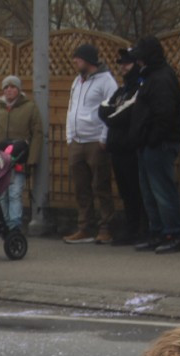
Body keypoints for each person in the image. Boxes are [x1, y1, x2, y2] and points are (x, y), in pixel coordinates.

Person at [130, 36, 180, 254]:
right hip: (149, 144)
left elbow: (165, 114)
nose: (137, 61)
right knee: (150, 192)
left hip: (159, 145)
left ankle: (171, 233)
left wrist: (152, 139)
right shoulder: (152, 76)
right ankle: (158, 231)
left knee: (162, 191)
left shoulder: (160, 78)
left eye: (139, 57)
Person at [63, 44, 118, 245]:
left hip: (96, 140)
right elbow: (71, 108)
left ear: (88, 60)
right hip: (77, 140)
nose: (75, 61)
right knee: (81, 187)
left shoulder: (107, 82)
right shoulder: (77, 82)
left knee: (101, 185)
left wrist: (104, 137)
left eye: (78, 58)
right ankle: (84, 227)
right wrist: (70, 136)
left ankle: (106, 228)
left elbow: (112, 110)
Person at [99, 48, 147, 247]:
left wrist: (112, 114)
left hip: (131, 148)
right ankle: (131, 229)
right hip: (117, 147)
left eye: (127, 64)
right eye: (121, 64)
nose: (123, 68)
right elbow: (103, 109)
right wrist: (112, 113)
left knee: (137, 191)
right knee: (126, 192)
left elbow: (119, 115)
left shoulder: (139, 88)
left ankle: (141, 230)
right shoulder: (122, 90)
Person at [0, 75, 44, 234]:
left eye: (13, 87)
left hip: (19, 158)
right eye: (6, 87)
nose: (9, 90)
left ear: (19, 89)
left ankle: (14, 225)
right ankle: (4, 223)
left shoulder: (30, 107)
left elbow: (37, 134)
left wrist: (32, 159)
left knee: (15, 193)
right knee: (1, 194)